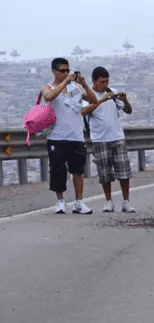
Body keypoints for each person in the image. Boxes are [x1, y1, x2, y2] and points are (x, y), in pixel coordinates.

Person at [41, 58, 98, 214]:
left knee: (78, 171)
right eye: (62, 71)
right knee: (57, 171)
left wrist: (84, 84)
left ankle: (79, 202)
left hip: (76, 136)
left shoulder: (76, 88)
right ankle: (60, 201)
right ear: (54, 71)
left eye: (68, 70)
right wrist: (65, 81)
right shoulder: (48, 87)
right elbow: (48, 97)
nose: (66, 73)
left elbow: (94, 100)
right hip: (56, 136)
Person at [81, 67, 136, 213]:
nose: (105, 85)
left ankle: (126, 201)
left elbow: (128, 110)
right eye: (102, 82)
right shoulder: (88, 95)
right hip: (99, 138)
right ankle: (108, 201)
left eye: (107, 81)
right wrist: (100, 100)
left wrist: (124, 100)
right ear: (94, 81)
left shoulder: (112, 91)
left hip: (117, 136)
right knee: (104, 172)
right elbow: (84, 112)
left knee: (124, 171)